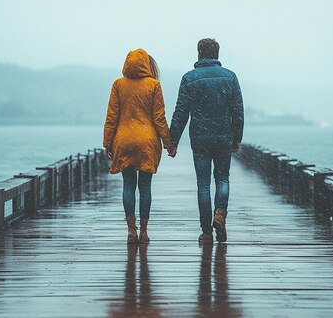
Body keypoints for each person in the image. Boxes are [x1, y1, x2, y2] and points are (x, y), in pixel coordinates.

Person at [168, 39, 244, 244]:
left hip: (200, 137)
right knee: (223, 179)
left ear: (199, 54)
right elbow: (238, 111)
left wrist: (172, 141)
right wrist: (237, 138)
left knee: (203, 184)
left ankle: (207, 232)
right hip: (223, 136)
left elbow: (181, 113)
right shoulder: (230, 77)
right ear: (217, 54)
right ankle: (220, 212)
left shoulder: (189, 78)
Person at [103, 48, 173, 244]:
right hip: (147, 142)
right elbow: (159, 119)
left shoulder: (118, 85)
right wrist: (169, 144)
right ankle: (143, 231)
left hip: (123, 140)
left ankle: (130, 231)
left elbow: (112, 117)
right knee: (145, 186)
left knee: (128, 186)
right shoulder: (154, 85)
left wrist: (107, 142)